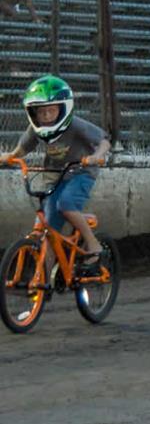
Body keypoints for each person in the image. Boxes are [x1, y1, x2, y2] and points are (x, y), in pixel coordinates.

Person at [0, 75, 111, 275]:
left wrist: (96, 156)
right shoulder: (37, 129)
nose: (47, 116)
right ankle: (42, 281)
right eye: (41, 112)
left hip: (81, 172)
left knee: (66, 204)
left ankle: (94, 245)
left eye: (52, 110)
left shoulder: (75, 124)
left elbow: (104, 140)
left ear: (63, 108)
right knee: (48, 229)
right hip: (56, 175)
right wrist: (10, 156)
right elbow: (22, 149)